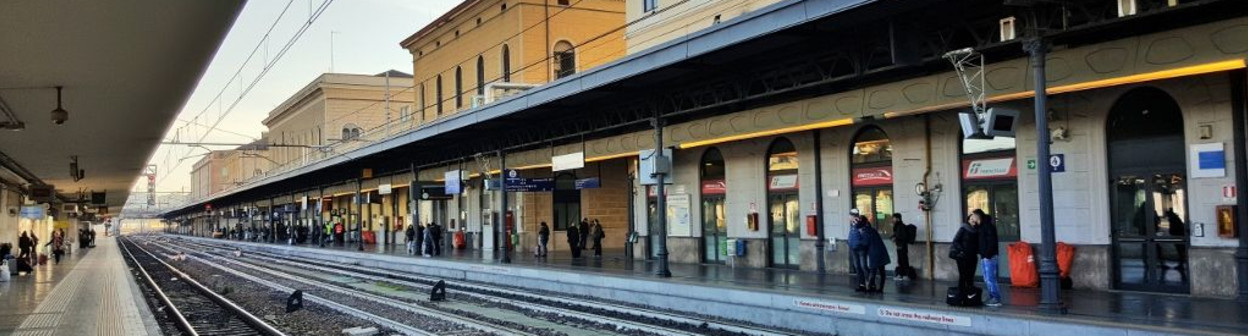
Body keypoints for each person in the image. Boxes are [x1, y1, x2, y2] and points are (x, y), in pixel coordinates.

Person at [972, 209, 1002, 307]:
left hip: (990, 256)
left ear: (978, 216)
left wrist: (988, 254)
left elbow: (992, 242)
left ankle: (996, 298)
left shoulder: (988, 227)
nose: (972, 217)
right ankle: (992, 297)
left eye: (974, 216)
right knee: (986, 278)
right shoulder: (980, 227)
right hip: (984, 256)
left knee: (990, 278)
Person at [951, 213, 981, 293]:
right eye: (971, 219)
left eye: (974, 219)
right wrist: (962, 250)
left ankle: (969, 295)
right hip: (963, 256)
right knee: (963, 276)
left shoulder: (977, 230)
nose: (973, 221)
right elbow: (955, 241)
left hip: (973, 256)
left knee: (970, 276)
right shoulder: (963, 228)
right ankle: (961, 295)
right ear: (968, 220)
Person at [863, 219, 890, 292]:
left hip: (874, 253)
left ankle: (869, 288)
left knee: (873, 271)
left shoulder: (865, 232)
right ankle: (881, 288)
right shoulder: (873, 230)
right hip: (881, 251)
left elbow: (865, 244)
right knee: (882, 272)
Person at [848, 209, 869, 292]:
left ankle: (869, 284)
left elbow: (865, 233)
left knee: (863, 266)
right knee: (858, 266)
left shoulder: (860, 222)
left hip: (861, 248)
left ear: (853, 216)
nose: (849, 217)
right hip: (854, 248)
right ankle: (862, 284)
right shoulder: (853, 224)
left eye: (850, 215)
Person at [891, 213, 914, 281]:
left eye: (894, 218)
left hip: (902, 246)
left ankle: (906, 275)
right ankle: (901, 275)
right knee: (900, 261)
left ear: (898, 218)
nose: (893, 219)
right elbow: (897, 235)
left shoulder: (901, 226)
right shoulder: (897, 226)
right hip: (899, 246)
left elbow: (903, 236)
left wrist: (896, 238)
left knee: (904, 261)